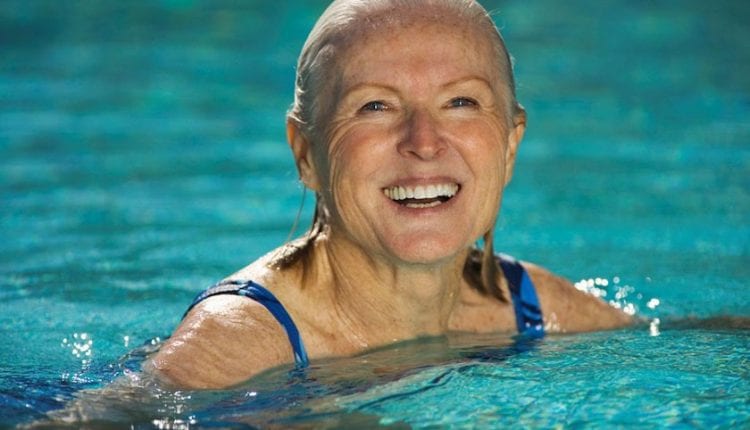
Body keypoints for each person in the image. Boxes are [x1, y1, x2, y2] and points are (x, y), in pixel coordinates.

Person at [145, 0, 632, 389]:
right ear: (306, 154)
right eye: (374, 105)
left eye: (460, 101)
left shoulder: (531, 310)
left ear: (509, 147)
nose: (423, 142)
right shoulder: (242, 342)